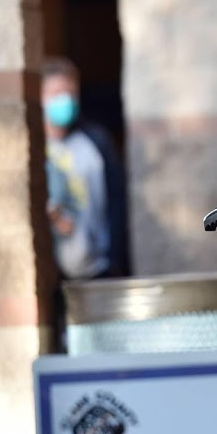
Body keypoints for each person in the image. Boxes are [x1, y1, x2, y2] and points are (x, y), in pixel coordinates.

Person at [42, 57, 128, 349]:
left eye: (70, 93)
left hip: (97, 269)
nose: (64, 101)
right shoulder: (32, 147)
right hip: (50, 277)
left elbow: (116, 202)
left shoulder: (95, 142)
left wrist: (116, 258)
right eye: (56, 94)